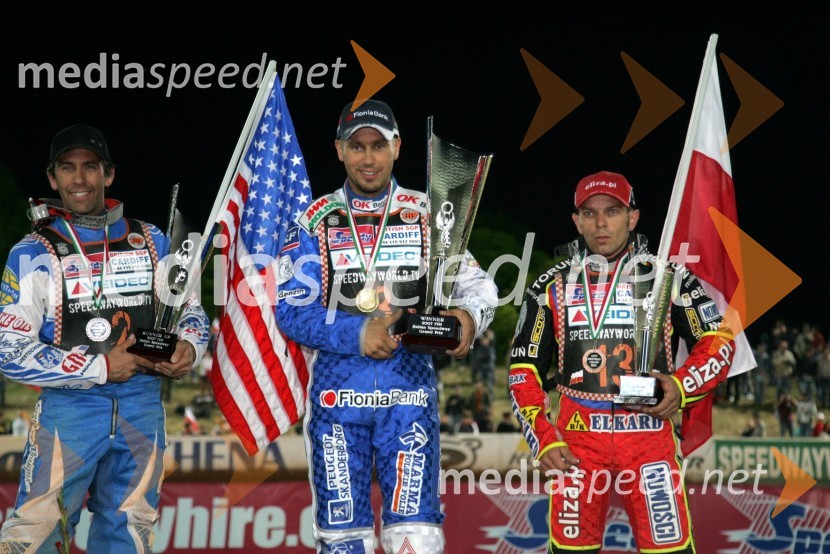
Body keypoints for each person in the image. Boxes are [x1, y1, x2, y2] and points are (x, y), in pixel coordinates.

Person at [276, 100, 498, 554]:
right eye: (357, 146)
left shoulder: (429, 215)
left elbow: (480, 286)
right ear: (339, 150)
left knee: (416, 538)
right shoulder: (313, 222)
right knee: (341, 540)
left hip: (409, 399)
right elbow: (291, 311)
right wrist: (357, 333)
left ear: (397, 147)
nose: (369, 157)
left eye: (378, 145)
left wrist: (467, 319)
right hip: (337, 404)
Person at [0, 124, 210, 552]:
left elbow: (191, 311)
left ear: (108, 174)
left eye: (90, 167)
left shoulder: (150, 239)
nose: (79, 179)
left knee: (131, 532)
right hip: (70, 410)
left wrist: (188, 345)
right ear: (53, 178)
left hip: (142, 407)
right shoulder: (33, 251)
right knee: (37, 534)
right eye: (68, 168)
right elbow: (8, 349)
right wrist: (98, 367)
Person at [509, 171, 736, 553]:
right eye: (590, 212)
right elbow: (522, 371)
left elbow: (718, 342)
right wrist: (544, 441)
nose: (601, 222)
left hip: (649, 436)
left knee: (670, 549)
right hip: (576, 441)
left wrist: (681, 386)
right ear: (576, 221)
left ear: (632, 217)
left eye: (612, 211)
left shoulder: (670, 278)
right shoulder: (550, 286)